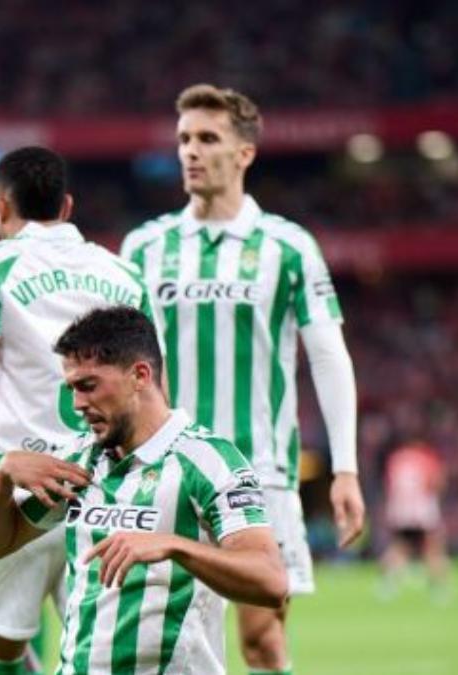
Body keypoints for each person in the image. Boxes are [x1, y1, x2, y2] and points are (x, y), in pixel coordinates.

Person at [120, 84, 365, 675]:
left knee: (262, 642)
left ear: (245, 154)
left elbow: (329, 356)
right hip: (165, 471)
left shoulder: (287, 246)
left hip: (258, 470)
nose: (190, 152)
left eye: (207, 138)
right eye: (183, 139)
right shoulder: (146, 246)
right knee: (166, 642)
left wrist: (346, 468)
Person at [0, 305, 287, 674]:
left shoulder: (207, 460)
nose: (77, 404)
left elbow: (270, 580)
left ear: (140, 375)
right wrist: (2, 478)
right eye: (71, 388)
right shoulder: (78, 460)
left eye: (88, 386)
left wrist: (174, 545)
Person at [0, 146, 153, 674]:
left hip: (15, 490)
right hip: (99, 490)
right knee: (100, 657)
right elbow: (150, 392)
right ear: (68, 204)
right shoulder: (125, 275)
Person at [380, 440, 449, 599]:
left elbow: (389, 484)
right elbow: (436, 482)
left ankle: (388, 584)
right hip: (421, 508)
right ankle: (439, 589)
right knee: (432, 547)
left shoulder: (396, 459)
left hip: (400, 508)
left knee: (400, 547)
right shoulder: (426, 458)